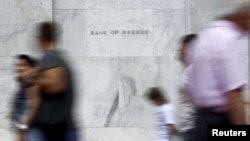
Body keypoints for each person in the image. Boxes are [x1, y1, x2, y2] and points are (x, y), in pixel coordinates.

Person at [186, 6, 250, 141]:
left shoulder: (204, 37)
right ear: (242, 14)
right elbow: (233, 96)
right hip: (220, 123)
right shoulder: (228, 39)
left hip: (201, 121)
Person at [33, 22, 78, 141]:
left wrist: (33, 79)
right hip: (60, 130)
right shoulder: (58, 57)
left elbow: (57, 85)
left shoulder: (50, 57)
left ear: (41, 38)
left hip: (55, 132)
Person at [11, 54, 43, 141]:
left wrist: (22, 129)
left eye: (23, 65)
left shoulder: (32, 85)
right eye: (18, 65)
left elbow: (34, 108)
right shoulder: (25, 85)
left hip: (32, 133)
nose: (19, 68)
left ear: (31, 68)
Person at [176, 34, 197, 141]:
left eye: (183, 46)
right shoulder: (186, 70)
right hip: (185, 130)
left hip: (191, 129)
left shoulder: (194, 71)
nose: (179, 48)